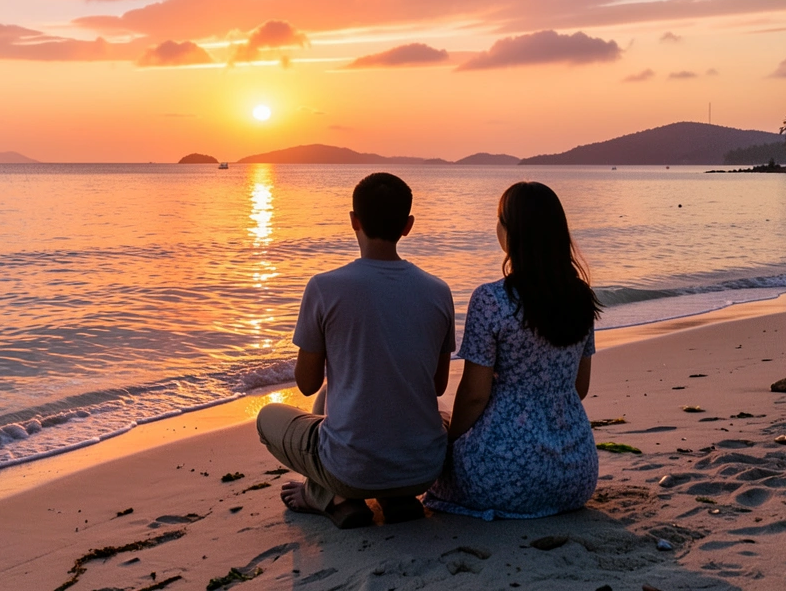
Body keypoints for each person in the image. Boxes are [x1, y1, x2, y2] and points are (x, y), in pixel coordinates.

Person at [256, 172, 455, 529]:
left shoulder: (324, 288)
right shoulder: (438, 291)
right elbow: (437, 385)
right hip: (423, 470)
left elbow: (305, 382)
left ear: (353, 221)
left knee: (266, 419)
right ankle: (396, 499)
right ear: (408, 226)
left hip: (352, 470)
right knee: (345, 397)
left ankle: (328, 496)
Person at [424, 181, 601, 520]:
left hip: (505, 475)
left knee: (441, 423)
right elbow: (580, 387)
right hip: (576, 473)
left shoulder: (491, 299)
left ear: (511, 232)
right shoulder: (580, 297)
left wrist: (454, 446)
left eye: (499, 219)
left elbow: (475, 396)